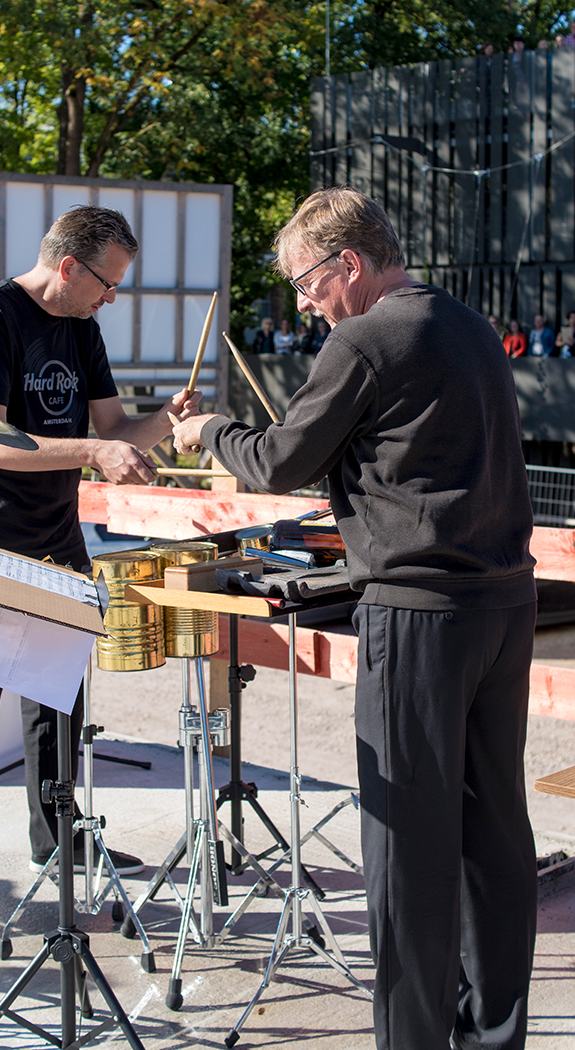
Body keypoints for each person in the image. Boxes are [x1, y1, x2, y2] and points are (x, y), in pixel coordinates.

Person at [172, 186, 537, 1050]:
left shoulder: (365, 336)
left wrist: (209, 432)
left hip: (419, 616)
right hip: (502, 605)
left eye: (306, 284)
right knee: (493, 837)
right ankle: (494, 1037)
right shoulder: (465, 322)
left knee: (407, 848)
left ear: (351, 264)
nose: (304, 305)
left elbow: (277, 461)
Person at [0, 205, 201, 954]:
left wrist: (164, 421)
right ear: (69, 267)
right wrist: (95, 455)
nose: (111, 299)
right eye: (106, 283)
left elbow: (111, 431)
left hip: (56, 538)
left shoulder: (81, 329)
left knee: (59, 707)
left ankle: (56, 841)